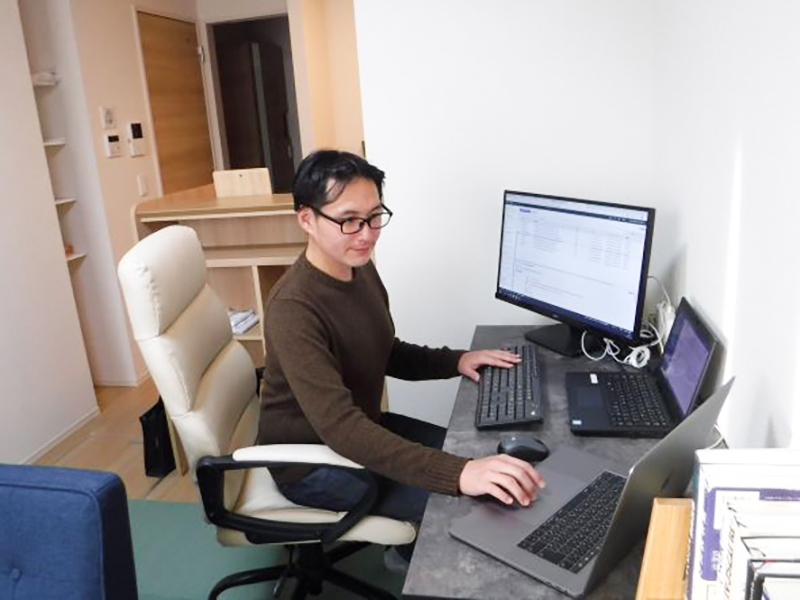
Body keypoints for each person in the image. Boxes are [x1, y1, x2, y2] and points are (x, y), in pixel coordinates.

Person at [258, 150, 544, 564]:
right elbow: (342, 430)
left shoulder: (357, 267)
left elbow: (382, 351)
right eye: (349, 220)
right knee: (468, 500)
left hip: (360, 429)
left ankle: (406, 546)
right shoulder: (293, 309)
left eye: (375, 216)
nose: (367, 234)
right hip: (311, 462)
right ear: (306, 219)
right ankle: (410, 557)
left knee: (478, 455)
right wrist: (459, 474)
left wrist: (456, 360)